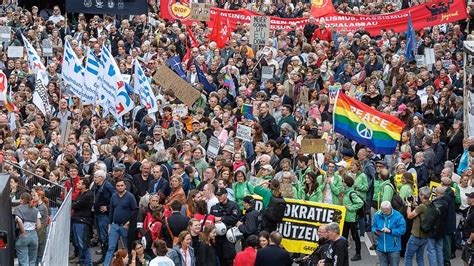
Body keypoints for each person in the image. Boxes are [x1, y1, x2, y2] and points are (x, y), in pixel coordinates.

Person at [104, 179, 138, 266]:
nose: (120, 187)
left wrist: (129, 222)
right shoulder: (114, 196)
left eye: (122, 185)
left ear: (125, 186)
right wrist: (109, 224)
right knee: (111, 247)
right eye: (118, 186)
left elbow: (135, 211)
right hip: (114, 225)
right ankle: (106, 264)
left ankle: (127, 264)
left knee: (127, 248)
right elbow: (111, 210)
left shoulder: (130, 196)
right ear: (116, 187)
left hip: (125, 226)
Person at [210, 188, 241, 265]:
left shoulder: (233, 205)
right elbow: (211, 219)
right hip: (217, 237)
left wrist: (221, 218)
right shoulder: (214, 207)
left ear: (226, 195)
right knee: (218, 257)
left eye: (221, 195)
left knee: (229, 258)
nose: (219, 197)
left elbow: (235, 218)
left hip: (229, 237)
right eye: (218, 195)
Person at [91, 169, 116, 264]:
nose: (94, 179)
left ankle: (106, 258)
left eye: (96, 177)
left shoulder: (107, 186)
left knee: (104, 237)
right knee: (101, 237)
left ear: (101, 178)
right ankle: (104, 256)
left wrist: (108, 207)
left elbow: (114, 198)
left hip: (104, 215)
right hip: (97, 214)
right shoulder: (97, 186)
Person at [372, 201, 406, 266]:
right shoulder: (377, 215)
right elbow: (373, 226)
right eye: (383, 211)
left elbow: (402, 230)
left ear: (390, 208)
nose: (384, 213)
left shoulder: (398, 216)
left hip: (394, 248)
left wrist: (390, 231)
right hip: (381, 248)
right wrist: (375, 231)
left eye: (386, 211)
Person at [405, 186, 431, 266]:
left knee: (408, 256)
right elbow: (420, 211)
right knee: (420, 257)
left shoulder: (421, 207)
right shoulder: (430, 204)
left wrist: (409, 206)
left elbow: (410, 216)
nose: (419, 196)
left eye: (420, 194)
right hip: (425, 235)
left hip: (416, 235)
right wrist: (415, 205)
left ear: (423, 195)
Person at [13, 192, 41, 266]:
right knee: (32, 261)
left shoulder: (18, 209)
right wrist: (34, 232)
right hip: (34, 235)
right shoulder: (35, 209)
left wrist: (23, 232)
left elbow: (19, 221)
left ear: (22, 199)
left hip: (24, 235)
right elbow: (38, 225)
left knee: (24, 261)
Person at [71, 178, 94, 266]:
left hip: (83, 222)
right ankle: (82, 261)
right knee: (78, 243)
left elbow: (75, 205)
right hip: (77, 220)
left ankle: (88, 263)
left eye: (79, 183)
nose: (77, 184)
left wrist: (75, 203)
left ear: (84, 185)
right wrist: (75, 203)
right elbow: (74, 203)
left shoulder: (88, 195)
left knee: (84, 243)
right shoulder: (81, 193)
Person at [341, 175, 364, 261]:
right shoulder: (346, 192)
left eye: (343, 181)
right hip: (345, 219)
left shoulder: (351, 193)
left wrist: (350, 208)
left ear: (346, 183)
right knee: (344, 237)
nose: (342, 183)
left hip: (352, 219)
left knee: (355, 237)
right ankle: (343, 253)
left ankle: (358, 254)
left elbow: (360, 203)